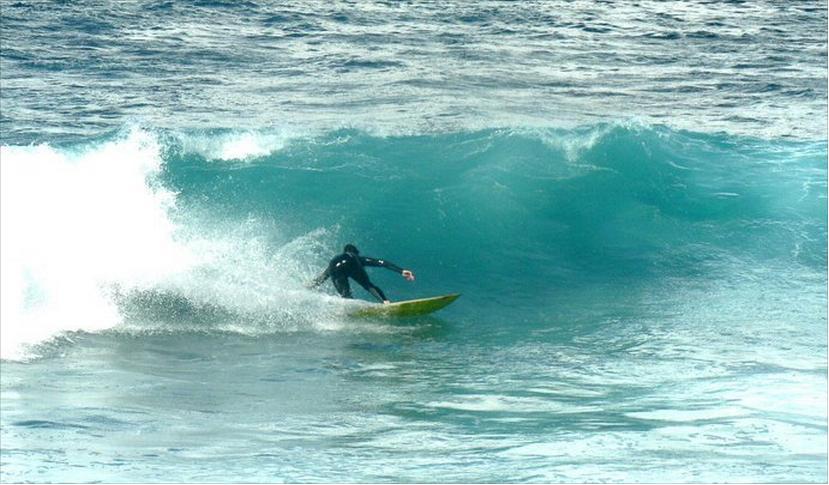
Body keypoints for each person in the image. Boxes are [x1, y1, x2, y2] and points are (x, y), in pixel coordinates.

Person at [309, 244, 415, 303]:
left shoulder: (336, 260)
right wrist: (401, 271)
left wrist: (309, 288)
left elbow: (322, 278)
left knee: (345, 295)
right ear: (355, 253)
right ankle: (385, 302)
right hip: (352, 264)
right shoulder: (356, 258)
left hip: (333, 267)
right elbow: (382, 263)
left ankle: (349, 309)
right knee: (368, 285)